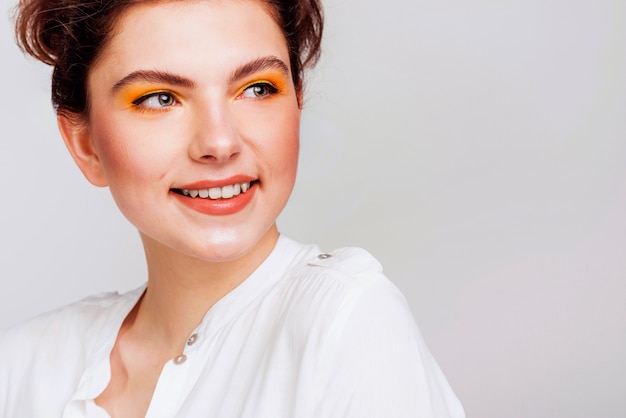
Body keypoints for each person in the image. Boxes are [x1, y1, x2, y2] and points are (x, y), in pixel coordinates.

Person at [0, 0, 465, 417]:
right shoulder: (24, 367)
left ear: (298, 103)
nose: (220, 143)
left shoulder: (345, 323)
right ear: (85, 145)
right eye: (161, 98)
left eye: (258, 89)